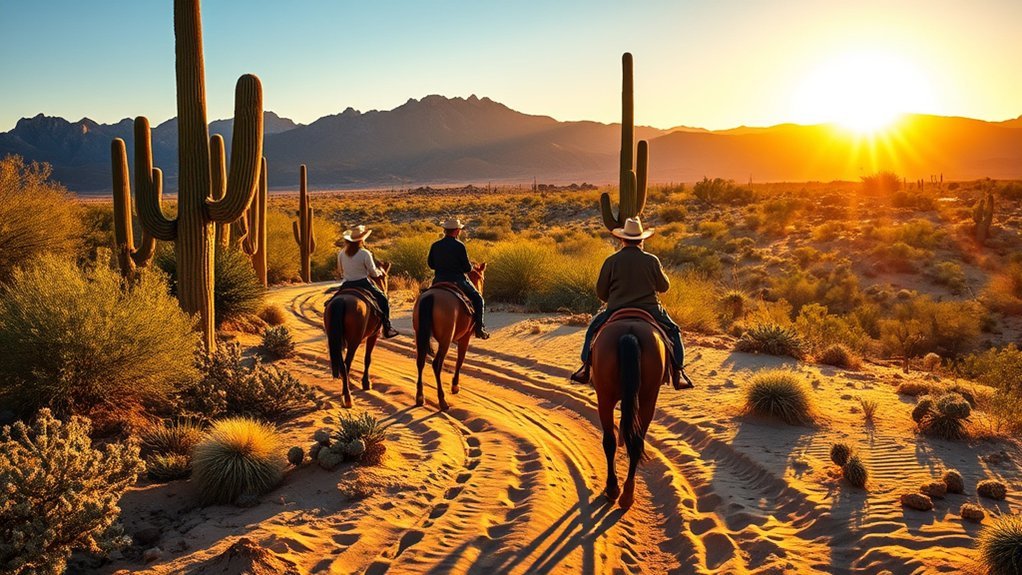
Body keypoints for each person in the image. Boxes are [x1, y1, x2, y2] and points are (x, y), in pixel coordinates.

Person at [571, 216, 686, 387]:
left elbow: (601, 292)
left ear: (622, 239)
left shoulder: (611, 261)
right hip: (651, 309)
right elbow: (664, 287)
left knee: (593, 329)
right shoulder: (651, 260)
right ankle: (678, 373)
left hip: (617, 307)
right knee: (674, 331)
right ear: (641, 239)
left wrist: (614, 299)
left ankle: (586, 368)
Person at [427, 217, 490, 340]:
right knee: (478, 299)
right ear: (456, 231)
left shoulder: (435, 245)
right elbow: (466, 268)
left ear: (445, 230)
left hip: (438, 280)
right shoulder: (459, 246)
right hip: (458, 281)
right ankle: (479, 329)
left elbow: (431, 265)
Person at [337, 225, 400, 339]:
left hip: (346, 284)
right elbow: (372, 272)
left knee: (332, 301)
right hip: (363, 283)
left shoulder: (341, 253)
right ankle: (387, 327)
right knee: (383, 299)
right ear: (361, 239)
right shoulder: (365, 253)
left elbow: (340, 271)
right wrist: (379, 273)